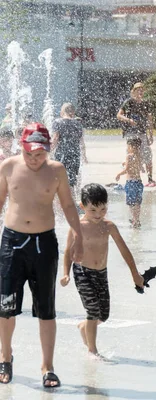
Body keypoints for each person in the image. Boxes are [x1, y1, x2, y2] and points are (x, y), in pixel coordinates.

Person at [0, 122, 84, 388]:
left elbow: (69, 205)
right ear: (21, 148)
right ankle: (5, 357)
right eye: (29, 154)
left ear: (48, 149)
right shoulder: (9, 167)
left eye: (40, 154)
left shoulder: (57, 171)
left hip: (43, 244)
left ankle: (48, 366)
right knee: (5, 307)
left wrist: (78, 236)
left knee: (46, 309)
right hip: (12, 243)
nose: (34, 160)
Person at [60, 184, 144, 358]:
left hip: (101, 273)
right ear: (82, 206)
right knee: (92, 311)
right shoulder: (78, 226)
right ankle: (92, 350)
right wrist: (66, 273)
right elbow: (68, 251)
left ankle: (84, 327)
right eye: (93, 210)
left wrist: (135, 274)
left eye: (103, 209)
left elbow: (124, 250)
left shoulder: (109, 226)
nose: (98, 215)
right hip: (83, 272)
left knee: (103, 315)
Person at [116, 82, 156, 187]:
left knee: (147, 155)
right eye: (138, 90)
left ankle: (150, 179)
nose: (140, 92)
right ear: (133, 91)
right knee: (132, 156)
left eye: (142, 90)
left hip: (142, 133)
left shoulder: (145, 103)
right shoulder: (129, 102)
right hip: (131, 133)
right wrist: (129, 120)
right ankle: (131, 178)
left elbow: (149, 120)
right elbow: (119, 115)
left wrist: (151, 134)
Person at [51, 103, 86, 191]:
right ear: (73, 112)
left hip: (62, 154)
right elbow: (81, 142)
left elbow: (55, 139)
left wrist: (48, 151)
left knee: (59, 180)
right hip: (75, 155)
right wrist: (84, 156)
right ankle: (72, 201)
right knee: (71, 182)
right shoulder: (78, 124)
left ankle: (59, 202)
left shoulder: (57, 122)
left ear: (62, 112)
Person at [115, 137, 145, 229]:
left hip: (131, 182)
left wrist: (119, 174)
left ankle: (134, 220)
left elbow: (127, 169)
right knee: (137, 202)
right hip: (139, 182)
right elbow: (141, 169)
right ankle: (137, 219)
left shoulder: (129, 156)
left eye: (128, 146)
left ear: (132, 147)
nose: (127, 148)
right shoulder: (140, 156)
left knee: (131, 203)